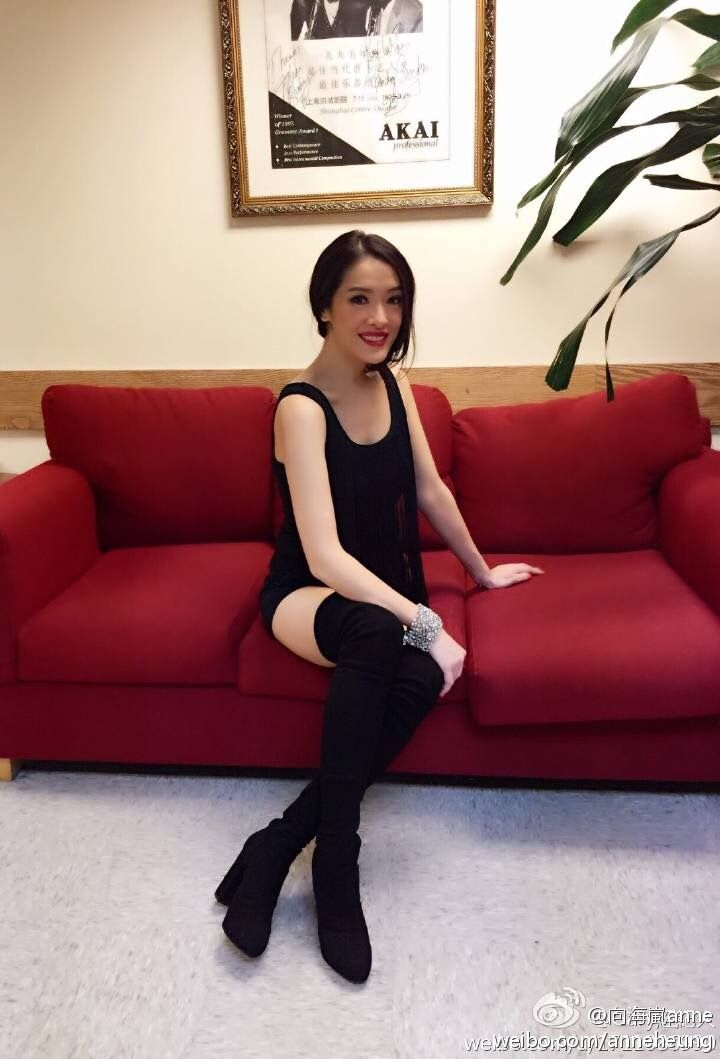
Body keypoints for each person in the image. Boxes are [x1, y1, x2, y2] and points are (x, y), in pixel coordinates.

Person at [215, 230, 545, 984]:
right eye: (360, 298)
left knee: (421, 674)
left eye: (394, 300)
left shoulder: (393, 385)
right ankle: (337, 863)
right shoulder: (299, 407)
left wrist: (482, 573)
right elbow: (325, 556)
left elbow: (431, 490)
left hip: (384, 589)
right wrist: (426, 623)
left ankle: (277, 843)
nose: (381, 317)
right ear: (324, 307)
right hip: (308, 592)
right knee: (377, 633)